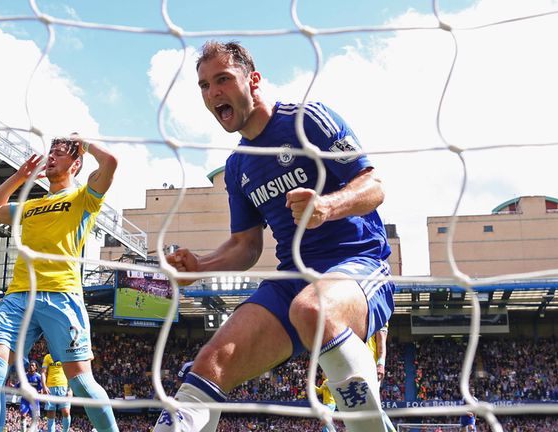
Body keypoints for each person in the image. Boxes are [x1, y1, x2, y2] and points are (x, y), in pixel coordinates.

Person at [153, 40, 395, 432]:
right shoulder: (238, 166)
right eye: (203, 86)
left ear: (253, 79)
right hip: (292, 282)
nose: (213, 93)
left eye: (223, 79)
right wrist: (202, 266)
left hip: (358, 267)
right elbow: (246, 246)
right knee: (208, 365)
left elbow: (374, 185)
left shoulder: (308, 120)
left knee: (313, 309)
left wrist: (328, 206)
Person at [0, 134, 119, 432]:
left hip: (61, 296)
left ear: (76, 164)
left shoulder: (83, 198)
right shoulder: (29, 206)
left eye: (58, 153)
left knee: (81, 383)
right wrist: (19, 177)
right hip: (18, 296)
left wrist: (84, 142)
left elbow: (110, 162)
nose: (50, 157)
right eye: (49, 153)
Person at [42, 352, 72, 432]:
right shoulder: (47, 356)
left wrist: (70, 389)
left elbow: (70, 372)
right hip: (50, 388)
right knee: (50, 414)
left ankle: (66, 430)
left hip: (64, 387)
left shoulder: (65, 354)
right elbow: (43, 372)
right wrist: (44, 386)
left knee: (66, 412)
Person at [17, 360, 44, 432]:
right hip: (25, 399)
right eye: (30, 365)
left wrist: (40, 392)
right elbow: (18, 386)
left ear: (36, 368)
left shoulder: (38, 377)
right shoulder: (24, 376)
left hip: (34, 400)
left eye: (33, 365)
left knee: (35, 419)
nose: (31, 366)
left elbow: (41, 389)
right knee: (23, 415)